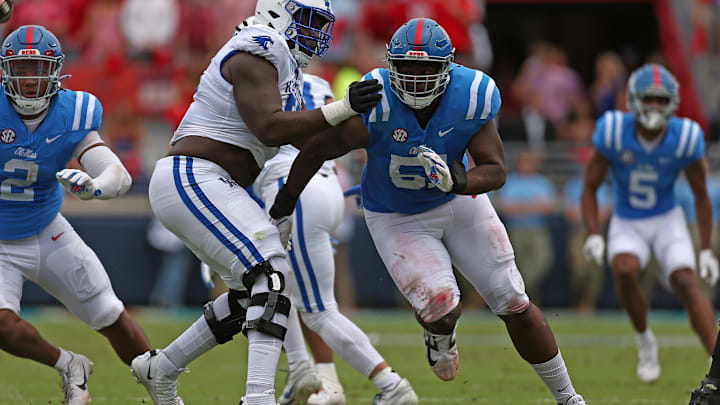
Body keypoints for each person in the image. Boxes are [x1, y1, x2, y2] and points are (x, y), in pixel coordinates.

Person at [270, 18, 587, 405]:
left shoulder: (470, 95)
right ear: (392, 65)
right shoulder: (378, 99)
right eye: (407, 67)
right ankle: (439, 333)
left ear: (448, 68)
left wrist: (460, 182)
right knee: (440, 307)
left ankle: (569, 398)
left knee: (513, 301)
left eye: (427, 68)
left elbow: (496, 169)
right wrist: (283, 206)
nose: (417, 77)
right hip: (396, 214)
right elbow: (317, 149)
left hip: (458, 202)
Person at [128, 1, 382, 403]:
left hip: (213, 181)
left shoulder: (283, 61)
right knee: (273, 276)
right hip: (194, 175)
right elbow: (268, 128)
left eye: (322, 23)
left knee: (253, 294)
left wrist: (374, 131)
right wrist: (343, 106)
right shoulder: (258, 45)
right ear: (280, 10)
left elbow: (307, 143)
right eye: (309, 20)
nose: (317, 32)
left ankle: (161, 368)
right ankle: (259, 397)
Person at [0, 25, 151, 405]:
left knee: (110, 315)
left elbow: (117, 174)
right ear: (6, 71)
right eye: (21, 69)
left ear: (56, 71)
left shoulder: (74, 112)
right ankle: (68, 364)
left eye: (38, 69)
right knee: (1, 325)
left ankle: (164, 392)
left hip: (47, 229)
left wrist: (95, 187)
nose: (30, 79)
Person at [254, 72, 417, 405]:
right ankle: (312, 375)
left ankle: (391, 384)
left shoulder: (259, 81)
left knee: (318, 310)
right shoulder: (315, 82)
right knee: (282, 287)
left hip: (294, 184)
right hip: (328, 183)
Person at [581, 63, 719, 384]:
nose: (655, 106)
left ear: (671, 102)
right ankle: (645, 342)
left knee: (686, 281)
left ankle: (718, 364)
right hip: (627, 218)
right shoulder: (614, 130)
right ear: (634, 101)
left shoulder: (685, 136)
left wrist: (707, 249)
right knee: (626, 270)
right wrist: (592, 235)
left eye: (661, 99)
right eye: (649, 99)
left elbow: (701, 196)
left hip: (667, 218)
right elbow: (589, 187)